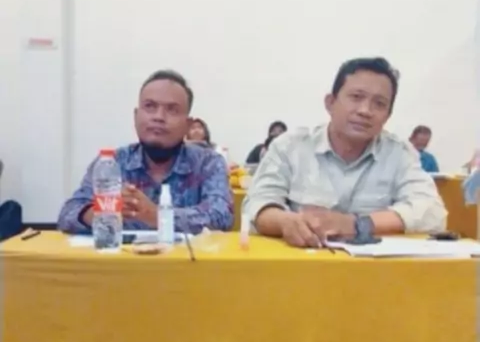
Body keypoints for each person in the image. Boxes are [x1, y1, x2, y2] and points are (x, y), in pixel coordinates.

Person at [244, 57, 447, 248]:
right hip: (300, 264)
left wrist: (357, 224)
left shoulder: (399, 154)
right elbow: (256, 205)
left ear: (387, 116)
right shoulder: (290, 147)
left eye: (379, 104)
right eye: (356, 97)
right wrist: (284, 222)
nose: (365, 111)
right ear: (330, 103)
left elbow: (432, 212)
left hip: (375, 269)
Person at [58, 70, 234, 234]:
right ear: (136, 116)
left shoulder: (208, 162)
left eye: (172, 110)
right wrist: (102, 212)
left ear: (188, 125)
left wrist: (156, 215)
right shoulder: (112, 162)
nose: (159, 117)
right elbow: (68, 214)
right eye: (150, 106)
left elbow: (221, 216)